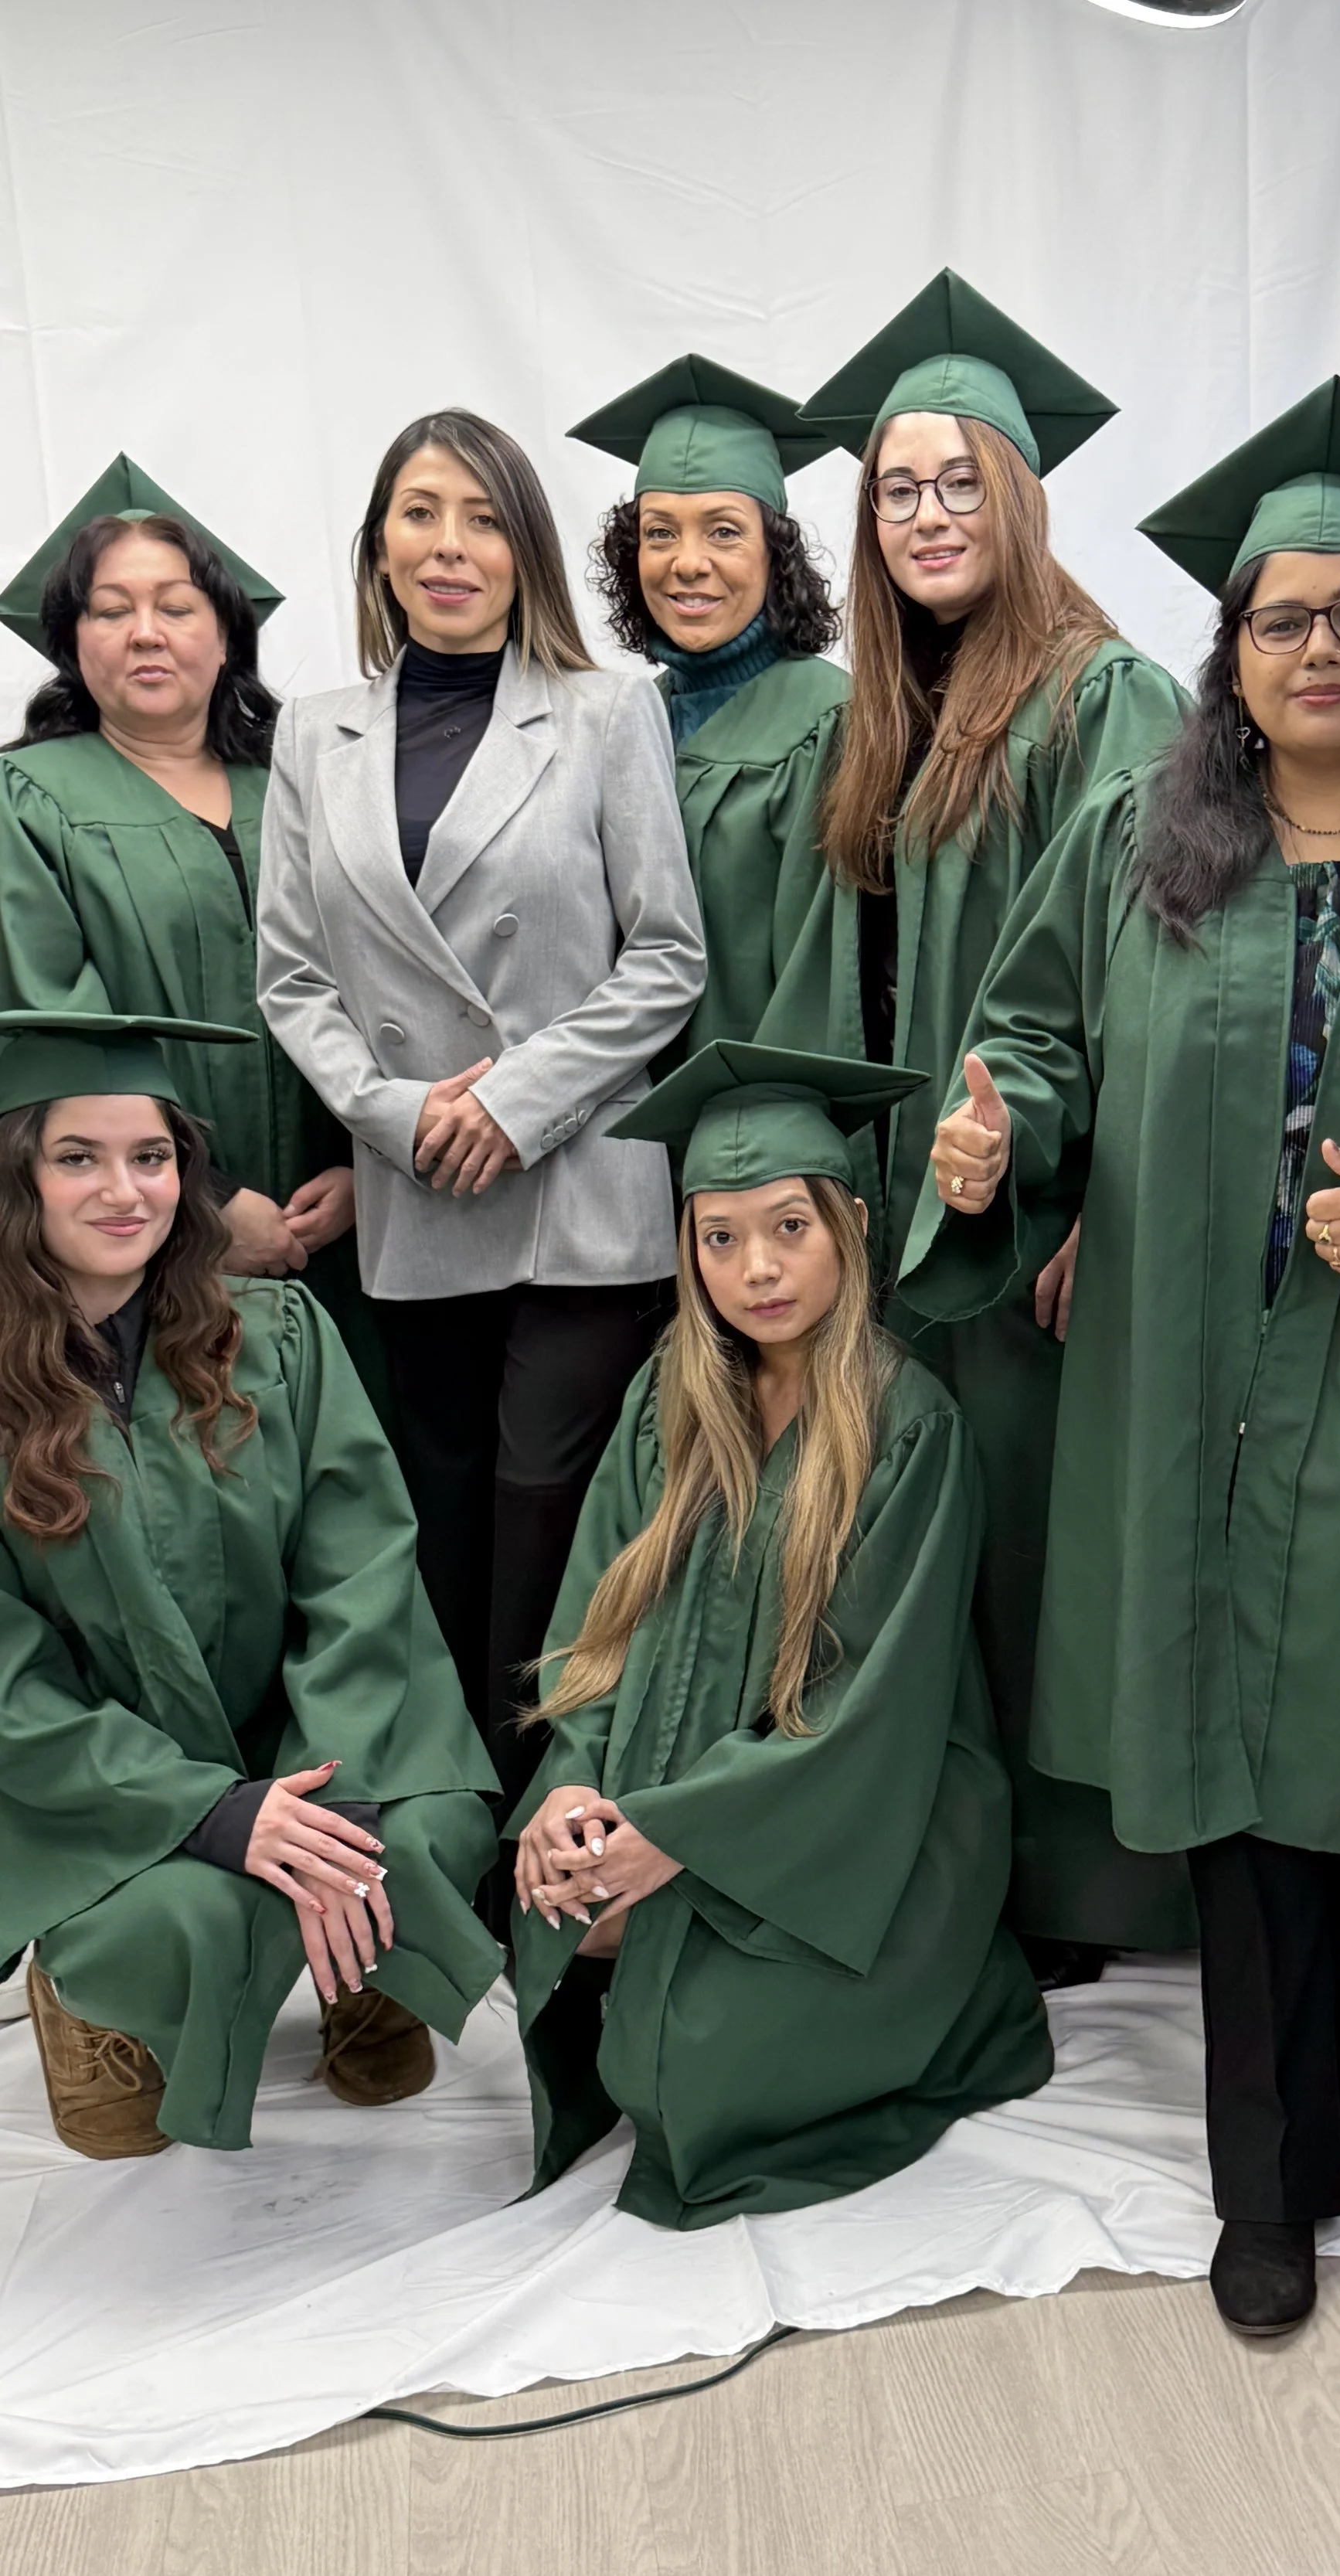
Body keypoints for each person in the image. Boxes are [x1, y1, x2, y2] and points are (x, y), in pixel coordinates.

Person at [902, 381, 1340, 2335]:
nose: (1323, 647)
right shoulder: (1132, 845)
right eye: (1284, 619)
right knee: (1252, 1790)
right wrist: (997, 1121)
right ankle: (1262, 2186)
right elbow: (1034, 1035)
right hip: (1183, 1374)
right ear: (1232, 655)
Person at [764, 270, 1194, 1971]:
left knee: (1039, 1551)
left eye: (958, 482)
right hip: (908, 1208)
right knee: (932, 1542)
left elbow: (1156, 985)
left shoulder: (1107, 696)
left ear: (1019, 496)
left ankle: (1090, 1899)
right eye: (895, 488)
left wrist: (1080, 1196)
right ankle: (967, 1878)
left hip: (1027, 1213)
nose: (926, 514)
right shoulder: (889, 705)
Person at [256, 410, 706, 1913]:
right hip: (417, 1194)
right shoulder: (312, 732)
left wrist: (513, 1098)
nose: (448, 546)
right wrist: (395, 1117)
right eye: (418, 515)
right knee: (438, 1510)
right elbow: (291, 980)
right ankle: (446, 1828)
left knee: (549, 1506)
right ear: (379, 543)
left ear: (522, 548)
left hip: (575, 1185)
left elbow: (665, 958)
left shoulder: (601, 710)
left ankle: (548, 1822)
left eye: (481, 518)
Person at [509, 1040, 1053, 2227]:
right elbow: (592, 1627)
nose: (757, 1268)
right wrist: (577, 1791)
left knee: (691, 2060)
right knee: (558, 1914)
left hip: (858, 1838)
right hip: (677, 1801)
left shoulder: (911, 1426)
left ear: (851, 1224)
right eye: (720, 1236)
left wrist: (677, 1838)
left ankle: (950, 1999)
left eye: (789, 1227)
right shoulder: (672, 1402)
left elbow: (875, 1715)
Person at [0, 1010, 502, 2160]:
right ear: (19, 1176)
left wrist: (326, 1797)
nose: (126, 1190)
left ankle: (363, 1978)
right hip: (92, 1788)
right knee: (181, 1911)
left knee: (410, 1835)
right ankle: (96, 2013)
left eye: (154, 1155)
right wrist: (211, 1810)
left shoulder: (274, 1334)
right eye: (77, 1156)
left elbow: (361, 1567)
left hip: (299, 1742)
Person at [0, 458, 360, 1301]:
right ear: (72, 642)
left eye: (175, 607)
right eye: (111, 610)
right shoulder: (28, 803)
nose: (146, 632)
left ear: (226, 634)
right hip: (135, 1232)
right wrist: (207, 1200)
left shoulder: (304, 790)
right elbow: (59, 1027)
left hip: (341, 1228)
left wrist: (364, 1167)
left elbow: (385, 993)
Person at [575, 355, 846, 1056]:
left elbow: (830, 986)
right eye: (660, 532)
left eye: (723, 530)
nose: (686, 561)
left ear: (774, 554)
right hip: (620, 1139)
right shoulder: (627, 720)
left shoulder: (834, 719)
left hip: (761, 1138)